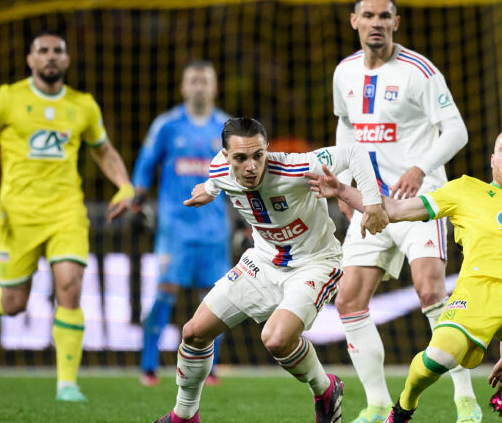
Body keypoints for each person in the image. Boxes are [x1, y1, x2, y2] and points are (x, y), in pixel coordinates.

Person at [307, 125, 502, 423]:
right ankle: (403, 408)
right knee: (438, 360)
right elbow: (395, 209)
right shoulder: (466, 190)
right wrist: (343, 191)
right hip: (474, 301)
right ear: (493, 160)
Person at [151, 117, 390, 423]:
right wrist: (210, 190)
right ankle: (184, 416)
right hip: (263, 261)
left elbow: (355, 152)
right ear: (225, 157)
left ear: (266, 151)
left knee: (275, 339)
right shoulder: (218, 170)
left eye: (258, 155)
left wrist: (372, 203)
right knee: (194, 333)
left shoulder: (296, 167)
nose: (251, 166)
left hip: (314, 263)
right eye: (240, 158)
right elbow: (215, 180)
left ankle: (326, 389)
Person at [0, 31, 134, 402]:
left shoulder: (83, 105)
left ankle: (67, 384)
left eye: (58, 51)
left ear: (68, 60)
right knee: (15, 303)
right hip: (17, 215)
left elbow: (103, 151)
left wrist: (124, 185)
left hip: (67, 211)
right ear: (30, 60)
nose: (51, 57)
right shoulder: (8, 98)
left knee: (70, 286)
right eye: (43, 51)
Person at [332, 0, 479, 422]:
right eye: (368, 16)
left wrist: (419, 168)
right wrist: (344, 184)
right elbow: (345, 126)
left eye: (385, 16)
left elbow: (457, 131)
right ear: (354, 21)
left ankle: (465, 400)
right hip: (369, 201)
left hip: (419, 200)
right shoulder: (344, 73)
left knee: (431, 289)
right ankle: (377, 403)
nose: (376, 23)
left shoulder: (420, 71)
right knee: (348, 299)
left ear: (396, 23)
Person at [132, 60, 231, 387]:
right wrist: (137, 202)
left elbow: (245, 176)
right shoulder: (167, 125)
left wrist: (246, 222)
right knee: (165, 293)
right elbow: (145, 166)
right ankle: (149, 366)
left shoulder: (228, 129)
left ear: (215, 87)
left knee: (217, 302)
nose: (199, 86)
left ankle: (210, 369)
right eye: (194, 80)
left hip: (216, 231)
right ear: (183, 87)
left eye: (205, 80)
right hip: (175, 230)